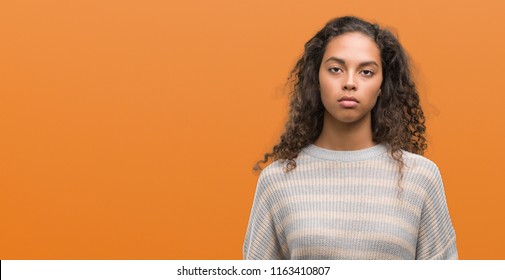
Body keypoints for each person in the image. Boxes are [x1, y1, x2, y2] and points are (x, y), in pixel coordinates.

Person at [243, 16, 457, 260]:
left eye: (366, 72)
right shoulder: (277, 180)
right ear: (316, 77)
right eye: (336, 69)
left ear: (382, 84)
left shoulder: (420, 178)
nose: (349, 83)